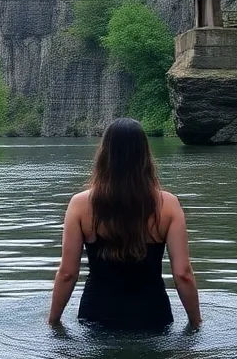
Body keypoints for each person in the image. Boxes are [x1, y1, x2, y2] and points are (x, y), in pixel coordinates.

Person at [47, 117, 202, 330]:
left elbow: (67, 273)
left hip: (96, 317)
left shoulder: (80, 205)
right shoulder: (169, 205)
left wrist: (53, 322)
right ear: (145, 155)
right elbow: (183, 274)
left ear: (104, 155)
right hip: (153, 317)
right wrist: (196, 323)